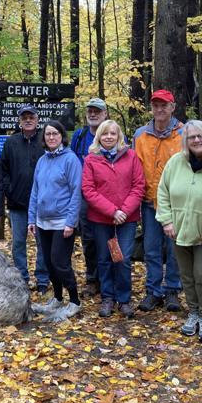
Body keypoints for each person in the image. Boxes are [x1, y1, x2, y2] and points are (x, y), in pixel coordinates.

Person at [157, 120, 202, 342]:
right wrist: (166, 221)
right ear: (186, 140)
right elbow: (162, 192)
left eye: (200, 135)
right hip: (179, 229)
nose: (196, 140)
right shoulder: (175, 162)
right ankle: (193, 313)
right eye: (191, 136)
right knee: (187, 276)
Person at [81, 119, 145, 318]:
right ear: (99, 137)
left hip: (127, 219)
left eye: (113, 133)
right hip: (101, 219)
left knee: (123, 258)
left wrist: (123, 211)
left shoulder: (131, 156)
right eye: (105, 133)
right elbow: (88, 190)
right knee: (105, 258)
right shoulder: (91, 159)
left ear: (119, 137)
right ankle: (107, 297)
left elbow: (139, 185)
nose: (109, 137)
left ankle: (124, 299)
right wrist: (112, 211)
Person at [133, 89, 183, 312]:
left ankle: (172, 290)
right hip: (148, 201)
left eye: (164, 105)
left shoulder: (184, 133)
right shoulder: (140, 135)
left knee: (174, 249)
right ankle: (153, 290)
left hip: (176, 203)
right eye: (156, 105)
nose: (160, 109)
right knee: (151, 248)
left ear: (173, 107)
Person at [29, 121, 83, 319]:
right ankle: (58, 299)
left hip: (63, 222)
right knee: (49, 263)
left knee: (60, 262)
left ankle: (75, 301)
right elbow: (35, 191)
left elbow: (76, 192)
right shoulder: (42, 161)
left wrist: (71, 222)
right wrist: (31, 219)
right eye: (48, 134)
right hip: (43, 221)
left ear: (62, 136)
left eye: (55, 134)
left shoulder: (70, 160)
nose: (51, 137)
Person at [1, 105, 50, 291]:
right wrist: (9, 190)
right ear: (19, 120)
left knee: (42, 243)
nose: (28, 120)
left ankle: (43, 280)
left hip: (42, 203)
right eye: (24, 117)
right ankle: (22, 277)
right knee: (19, 243)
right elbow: (3, 169)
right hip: (18, 202)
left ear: (37, 119)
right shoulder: (11, 142)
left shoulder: (45, 140)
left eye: (31, 117)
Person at [70, 97, 109, 297]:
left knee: (110, 240)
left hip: (109, 198)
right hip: (84, 198)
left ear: (105, 114)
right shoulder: (79, 135)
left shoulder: (112, 134)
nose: (93, 114)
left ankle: (109, 280)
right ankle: (92, 279)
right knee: (89, 240)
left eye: (97, 111)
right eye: (90, 111)